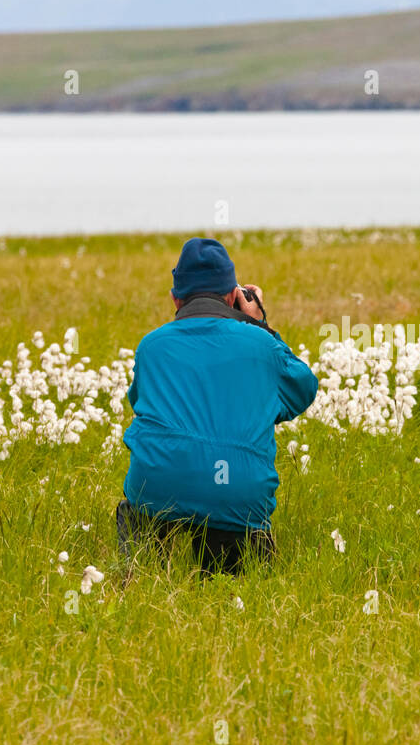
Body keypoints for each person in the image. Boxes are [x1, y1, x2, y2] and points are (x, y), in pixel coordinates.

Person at [117, 237, 318, 575]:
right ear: (233, 296)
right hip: (236, 492)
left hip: (158, 487)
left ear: (175, 298)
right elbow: (301, 391)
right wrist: (258, 323)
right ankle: (229, 565)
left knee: (142, 509)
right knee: (229, 580)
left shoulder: (151, 347)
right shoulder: (259, 343)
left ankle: (142, 571)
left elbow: (140, 403)